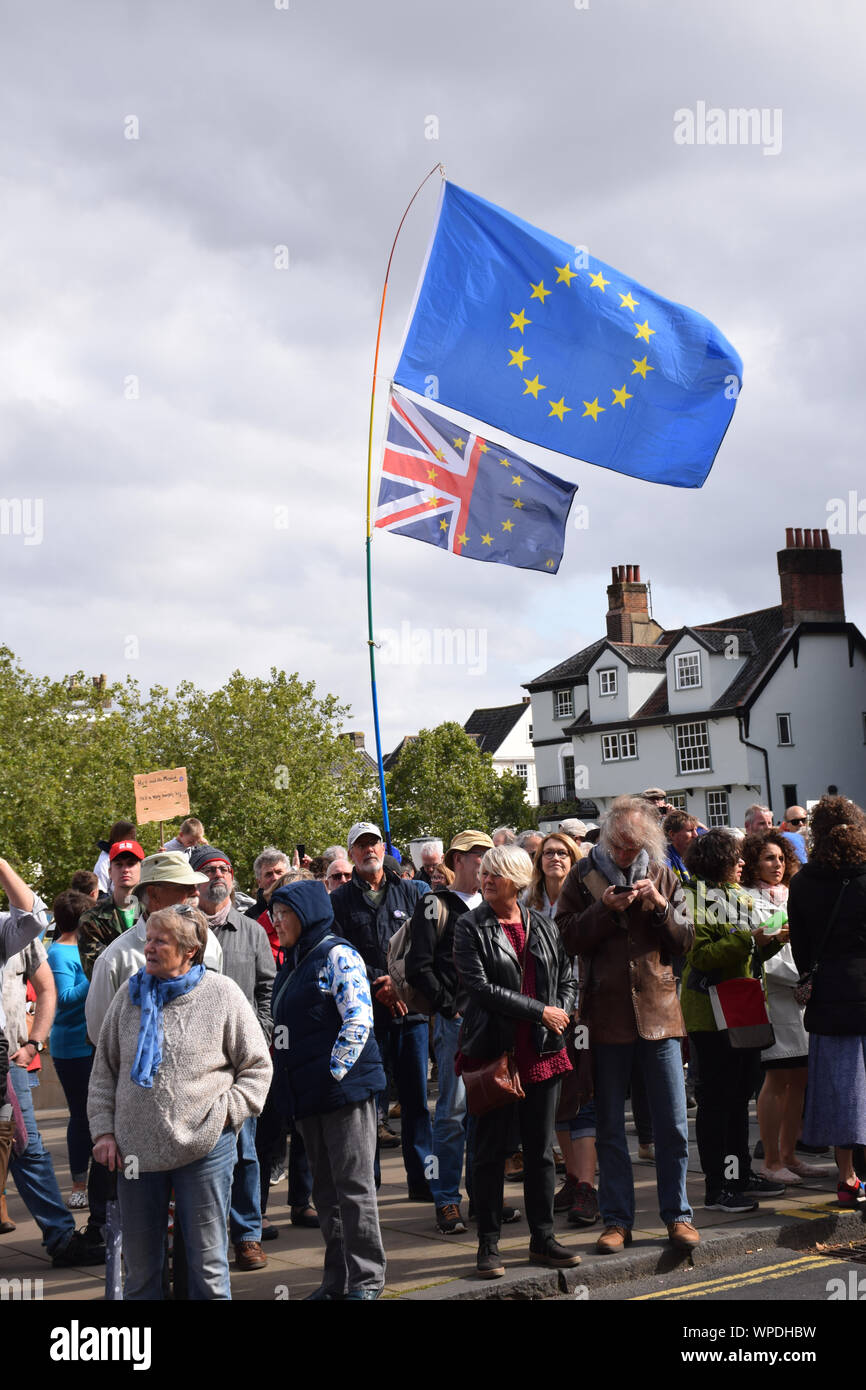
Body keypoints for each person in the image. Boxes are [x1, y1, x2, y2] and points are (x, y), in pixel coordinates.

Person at [87, 907, 272, 1299]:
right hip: (135, 1154)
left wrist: (226, 1114)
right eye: (148, 939)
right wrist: (103, 1131)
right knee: (140, 1273)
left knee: (207, 1268)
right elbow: (104, 1070)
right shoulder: (130, 994)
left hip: (204, 1149)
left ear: (190, 950)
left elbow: (257, 1066)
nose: (148, 949)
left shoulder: (222, 994)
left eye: (160, 941)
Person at [556, 796, 698, 1254]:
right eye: (617, 846)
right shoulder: (581, 877)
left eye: (632, 847)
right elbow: (566, 937)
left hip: (659, 1014)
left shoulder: (661, 872)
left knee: (673, 1124)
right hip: (606, 1018)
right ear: (606, 835)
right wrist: (604, 909)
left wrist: (659, 906)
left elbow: (686, 939)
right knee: (611, 1128)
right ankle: (617, 1221)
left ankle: (677, 1215)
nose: (623, 855)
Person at [453, 845, 579, 1278]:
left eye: (497, 874)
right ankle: (488, 1246)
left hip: (542, 1050)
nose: (487, 879)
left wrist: (559, 1012)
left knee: (540, 1153)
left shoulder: (542, 924)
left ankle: (542, 1238)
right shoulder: (469, 927)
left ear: (518, 881)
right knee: (489, 1153)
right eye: (485, 872)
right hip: (494, 1053)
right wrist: (540, 1010)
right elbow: (481, 989)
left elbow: (568, 976)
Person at [270, 880, 387, 1299]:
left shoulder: (336, 954)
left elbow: (358, 1018)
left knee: (353, 1188)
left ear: (307, 913)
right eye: (274, 913)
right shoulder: (293, 961)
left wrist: (333, 1073)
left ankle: (367, 1280)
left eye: (284, 913)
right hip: (309, 1097)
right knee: (325, 1192)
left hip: (343, 1093)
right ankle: (337, 1279)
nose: (276, 921)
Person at [681, 829, 787, 1214]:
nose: (743, 862)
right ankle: (717, 1186)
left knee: (740, 1097)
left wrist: (773, 938)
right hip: (710, 1014)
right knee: (716, 1101)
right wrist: (750, 939)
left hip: (741, 1008)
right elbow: (702, 957)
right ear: (718, 860)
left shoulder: (739, 895)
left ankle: (739, 1175)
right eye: (737, 856)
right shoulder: (693, 897)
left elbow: (751, 952)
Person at [329, 823, 430, 1198]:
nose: (369, 850)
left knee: (416, 1100)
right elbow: (339, 951)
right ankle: (367, 1186)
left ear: (383, 846)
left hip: (411, 1011)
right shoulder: (338, 901)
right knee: (368, 1104)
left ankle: (422, 1182)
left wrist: (400, 983)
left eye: (373, 843)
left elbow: (425, 947)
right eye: (361, 845)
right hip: (363, 1015)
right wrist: (381, 982)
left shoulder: (414, 891)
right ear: (351, 853)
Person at [190, 845, 275, 1271]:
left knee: (245, 1152)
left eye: (224, 868)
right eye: (207, 870)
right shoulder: (183, 930)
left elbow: (266, 989)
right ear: (194, 881)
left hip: (240, 1062)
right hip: (193, 1062)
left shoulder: (252, 930)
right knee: (198, 1154)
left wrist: (259, 1037)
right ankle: (205, 1237)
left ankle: (247, 1235)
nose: (217, 876)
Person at [405, 831, 493, 1234]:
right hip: (455, 1023)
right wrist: (450, 1007)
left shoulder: (495, 902)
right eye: (479, 856)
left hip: (493, 1021)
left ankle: (483, 1197)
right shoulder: (433, 904)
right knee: (453, 1113)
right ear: (458, 860)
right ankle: (446, 1200)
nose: (486, 863)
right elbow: (418, 965)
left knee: (487, 1110)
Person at [788, 796, 866, 1205]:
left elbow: (802, 949)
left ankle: (847, 1178)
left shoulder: (802, 882)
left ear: (816, 832)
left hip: (831, 997)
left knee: (843, 1090)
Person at [524, 832, 599, 1227]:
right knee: (557, 1098)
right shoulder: (528, 903)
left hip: (582, 1008)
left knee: (582, 1093)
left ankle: (587, 1186)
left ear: (574, 861)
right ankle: (571, 1178)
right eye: (547, 853)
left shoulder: (584, 898)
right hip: (541, 1013)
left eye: (563, 853)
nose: (554, 858)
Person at [740, 831, 822, 1184]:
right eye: (769, 858)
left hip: (803, 999)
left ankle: (789, 1154)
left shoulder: (794, 894)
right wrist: (801, 975)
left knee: (801, 1079)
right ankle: (770, 1159)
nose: (778, 865)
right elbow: (759, 955)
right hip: (775, 998)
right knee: (777, 1078)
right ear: (754, 862)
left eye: (781, 858)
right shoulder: (747, 900)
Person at [85, 852, 220, 1043]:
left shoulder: (209, 942)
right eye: (184, 887)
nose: (195, 892)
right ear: (154, 895)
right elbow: (101, 1035)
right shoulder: (116, 959)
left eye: (194, 886)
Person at [46, 890, 97, 1209]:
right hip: (73, 1047)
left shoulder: (83, 948)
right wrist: (98, 973)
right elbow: (63, 999)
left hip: (92, 1043)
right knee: (82, 1117)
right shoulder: (59, 954)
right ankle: (79, 1183)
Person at [78, 839, 145, 981]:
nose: (125, 869)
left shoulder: (154, 913)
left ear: (142, 869)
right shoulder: (91, 919)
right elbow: (99, 971)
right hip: (112, 999)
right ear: (110, 872)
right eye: (119, 864)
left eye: (131, 864)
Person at [92, 819, 136, 895]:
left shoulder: (133, 859)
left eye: (134, 837)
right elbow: (100, 895)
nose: (134, 841)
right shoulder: (104, 862)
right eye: (131, 837)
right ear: (119, 837)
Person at [245, 847, 290, 922]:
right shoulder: (250, 919)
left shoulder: (301, 906)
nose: (275, 878)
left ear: (288, 875)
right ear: (259, 882)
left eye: (279, 872)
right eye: (269, 874)